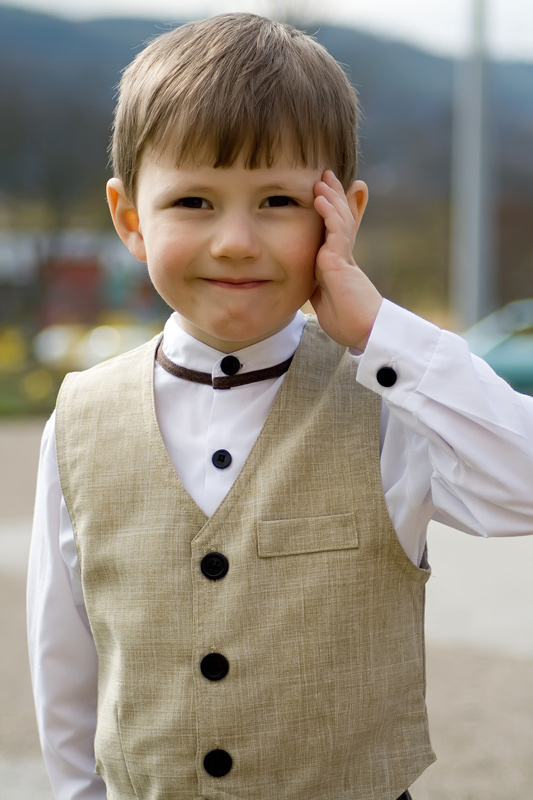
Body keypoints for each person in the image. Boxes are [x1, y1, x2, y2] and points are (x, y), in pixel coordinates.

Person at [27, 13, 533, 800]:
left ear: (340, 215)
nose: (234, 240)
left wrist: (380, 334)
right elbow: (66, 662)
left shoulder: (387, 403)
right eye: (194, 201)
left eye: (275, 201)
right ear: (129, 217)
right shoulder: (81, 417)